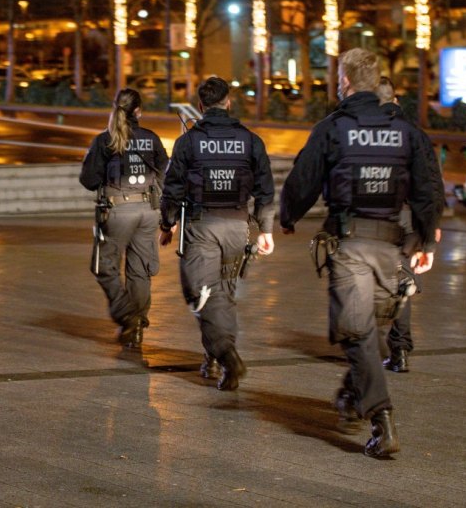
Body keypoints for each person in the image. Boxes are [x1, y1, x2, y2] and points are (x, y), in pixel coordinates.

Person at [280, 49, 439, 458]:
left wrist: (287, 217)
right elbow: (427, 187)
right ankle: (353, 397)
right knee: (365, 331)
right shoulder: (406, 131)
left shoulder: (334, 127)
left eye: (337, 77)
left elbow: (304, 179)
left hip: (351, 246)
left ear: (346, 81)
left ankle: (381, 417)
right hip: (392, 247)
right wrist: (426, 242)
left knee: (358, 332)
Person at [159, 76, 275, 391]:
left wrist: (167, 223)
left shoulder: (188, 141)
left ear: (200, 106)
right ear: (228, 102)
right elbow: (266, 188)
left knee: (199, 294)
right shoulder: (250, 140)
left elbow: (172, 187)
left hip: (202, 228)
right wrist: (265, 229)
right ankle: (216, 358)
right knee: (221, 293)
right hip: (237, 227)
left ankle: (227, 355)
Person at [79, 88, 168, 349]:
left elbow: (89, 179)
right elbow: (166, 174)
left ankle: (127, 316)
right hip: (149, 211)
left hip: (117, 210)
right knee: (140, 271)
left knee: (104, 266)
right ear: (139, 111)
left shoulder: (105, 139)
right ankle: (137, 326)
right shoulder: (151, 139)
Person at [376, 77, 445, 373]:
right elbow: (432, 183)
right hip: (409, 217)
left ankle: (370, 345)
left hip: (377, 216)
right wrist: (432, 224)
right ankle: (400, 348)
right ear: (396, 100)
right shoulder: (415, 134)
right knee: (400, 279)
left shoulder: (363, 132)